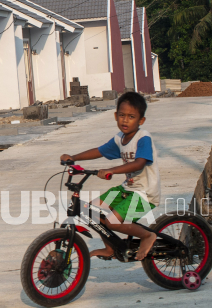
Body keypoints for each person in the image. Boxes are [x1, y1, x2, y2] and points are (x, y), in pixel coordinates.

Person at [60, 92, 160, 261]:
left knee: (113, 222)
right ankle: (110, 247)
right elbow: (100, 151)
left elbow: (139, 163)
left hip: (145, 194)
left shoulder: (143, 138)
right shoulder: (119, 138)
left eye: (131, 116)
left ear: (141, 120)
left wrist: (112, 170)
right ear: (115, 116)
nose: (125, 120)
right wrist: (74, 157)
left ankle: (147, 236)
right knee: (91, 211)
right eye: (122, 115)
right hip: (127, 189)